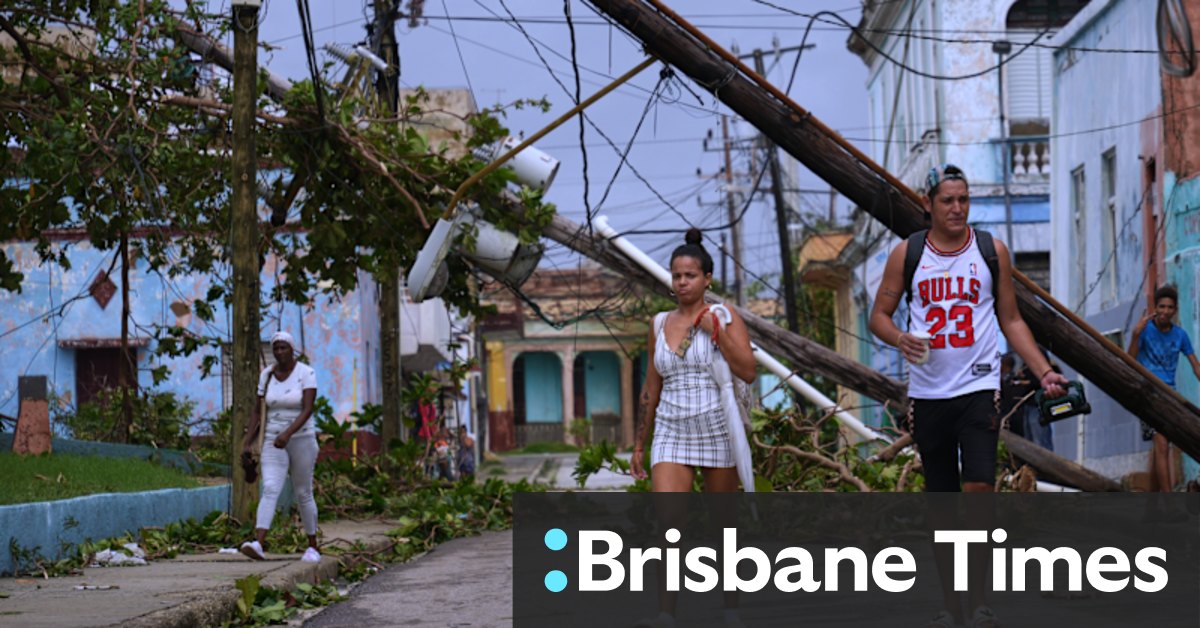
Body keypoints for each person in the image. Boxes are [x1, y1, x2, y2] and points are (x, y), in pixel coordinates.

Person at [868, 164, 1068, 628]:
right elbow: (880, 314)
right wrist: (899, 338)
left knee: (979, 488)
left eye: (964, 199)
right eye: (947, 201)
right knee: (942, 498)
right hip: (928, 394)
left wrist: (1044, 372)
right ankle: (951, 602)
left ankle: (977, 599)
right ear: (928, 204)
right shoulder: (908, 254)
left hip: (979, 388)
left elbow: (1011, 320)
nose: (957, 208)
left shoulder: (989, 251)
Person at [630, 228, 755, 628]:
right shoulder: (659, 323)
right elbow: (652, 385)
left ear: (707, 280)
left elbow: (748, 371)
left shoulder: (723, 316)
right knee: (669, 523)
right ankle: (667, 613)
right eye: (676, 275)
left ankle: (731, 608)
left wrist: (713, 332)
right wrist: (639, 444)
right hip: (671, 429)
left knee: (724, 525)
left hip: (717, 426)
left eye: (690, 275)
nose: (682, 282)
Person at [240, 331, 321, 563]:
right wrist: (248, 442)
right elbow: (258, 410)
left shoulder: (306, 373)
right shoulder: (266, 375)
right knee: (271, 487)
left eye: (283, 348)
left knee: (303, 491)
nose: (279, 352)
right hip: (272, 439)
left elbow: (307, 409)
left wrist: (288, 433)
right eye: (276, 348)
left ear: (292, 350)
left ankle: (313, 546)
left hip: (301, 439)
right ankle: (258, 542)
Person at [1128, 284, 1200, 492]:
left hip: (1169, 394)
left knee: (1163, 445)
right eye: (1162, 307)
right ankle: (1169, 502)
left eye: (1170, 307)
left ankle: (1157, 504)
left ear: (1175, 310)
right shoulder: (1144, 330)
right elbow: (1129, 360)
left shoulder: (1180, 335)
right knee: (1161, 443)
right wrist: (1134, 335)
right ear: (1155, 308)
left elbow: (1195, 365)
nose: (1165, 311)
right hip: (1147, 393)